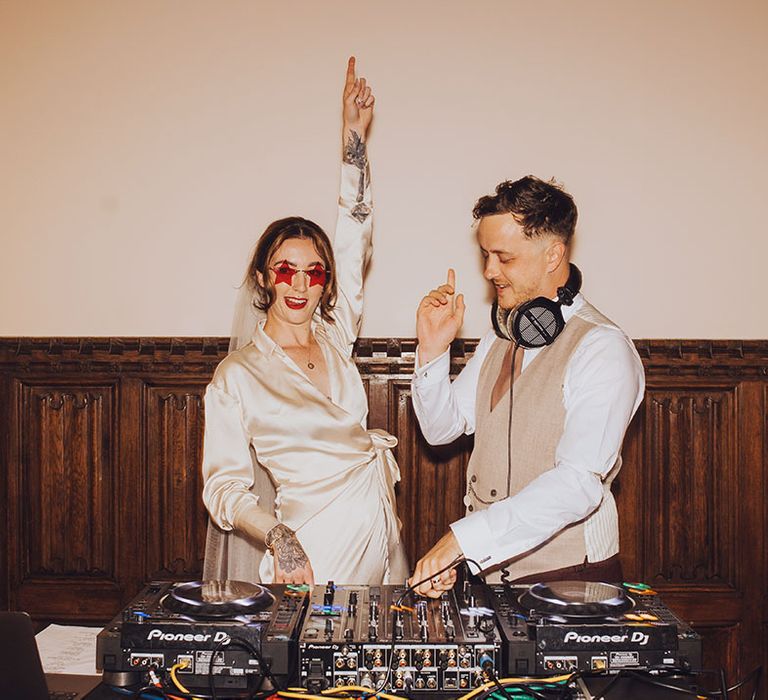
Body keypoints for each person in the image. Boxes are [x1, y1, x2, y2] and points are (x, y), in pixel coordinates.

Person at [201, 58, 408, 586]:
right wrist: (279, 537)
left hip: (380, 537)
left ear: (327, 284)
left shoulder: (337, 339)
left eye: (313, 273)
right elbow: (223, 487)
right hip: (310, 551)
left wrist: (354, 137)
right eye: (285, 270)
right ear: (264, 277)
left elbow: (355, 230)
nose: (299, 284)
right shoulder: (237, 377)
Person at [409, 176, 645, 597]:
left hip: (571, 578)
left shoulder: (603, 348)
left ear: (553, 254)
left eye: (504, 257)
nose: (488, 271)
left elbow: (577, 482)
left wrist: (463, 541)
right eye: (485, 255)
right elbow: (441, 428)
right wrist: (431, 351)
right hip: (489, 576)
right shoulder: (502, 332)